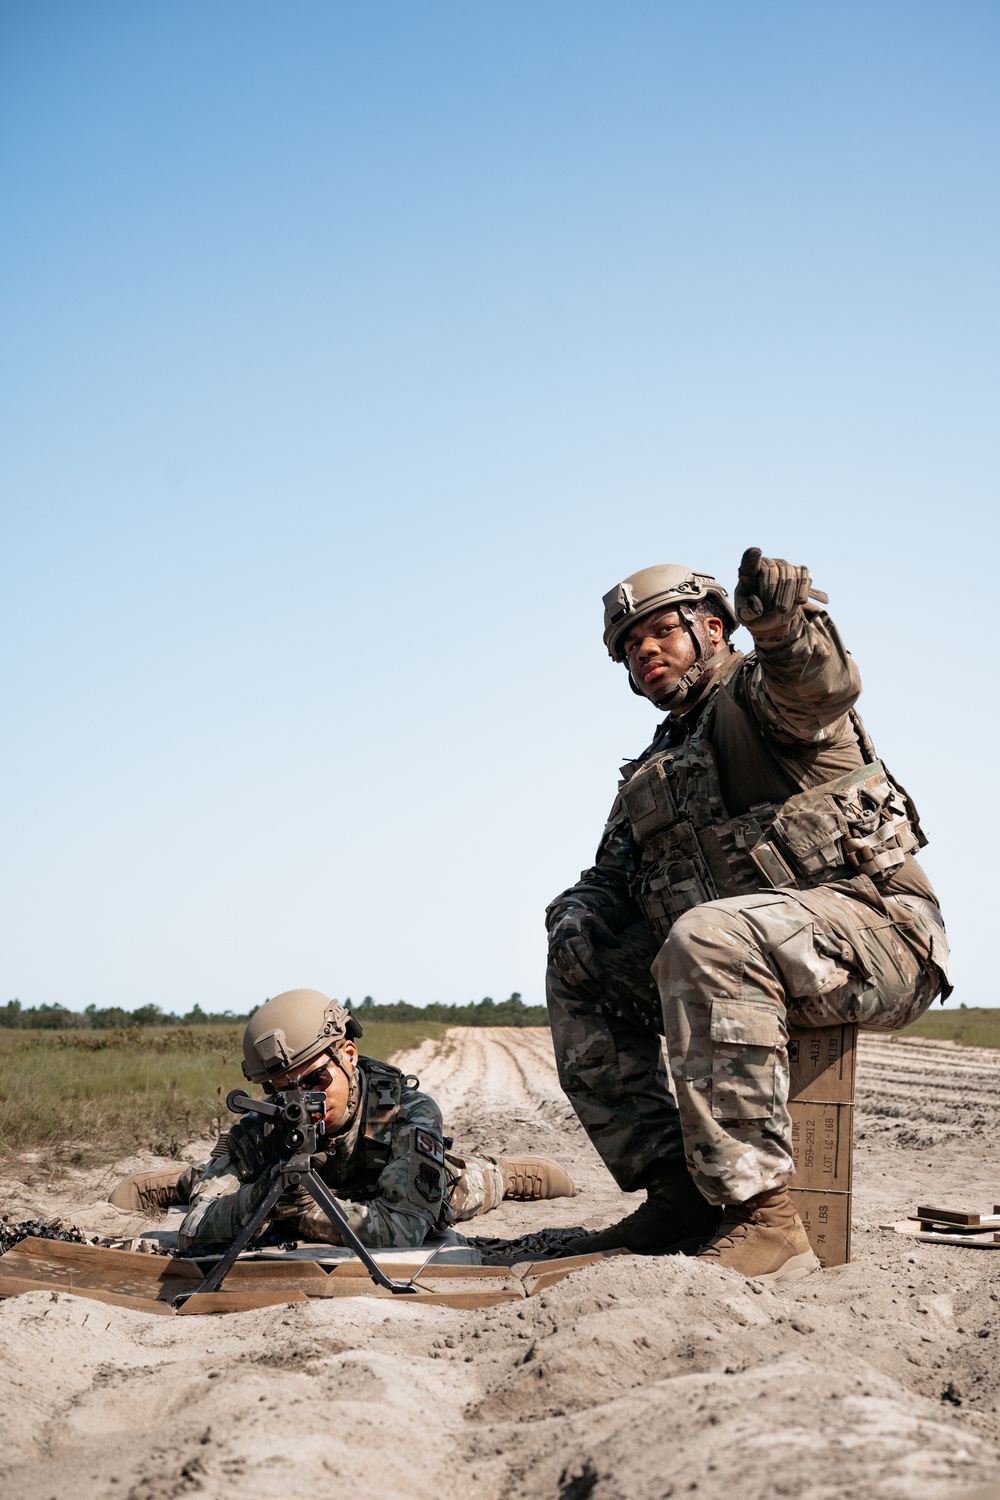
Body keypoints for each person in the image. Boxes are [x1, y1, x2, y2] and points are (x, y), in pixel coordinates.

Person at [546, 550, 950, 1284]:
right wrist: (578, 916)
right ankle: (679, 1197)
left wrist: (786, 629)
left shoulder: (757, 697)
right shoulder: (653, 768)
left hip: (878, 933)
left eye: (660, 632)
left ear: (712, 628)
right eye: (630, 649)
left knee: (706, 935)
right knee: (583, 962)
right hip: (754, 953)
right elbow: (609, 878)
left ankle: (765, 1219)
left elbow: (816, 688)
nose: (645, 652)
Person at [110, 988, 574, 1250]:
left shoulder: (401, 1112)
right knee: (210, 1187)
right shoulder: (261, 1128)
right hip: (311, 1199)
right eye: (282, 1090)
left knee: (465, 1186)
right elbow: (193, 1228)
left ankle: (507, 1174)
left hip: (385, 1187)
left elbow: (405, 1227)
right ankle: (186, 1179)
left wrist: (299, 1213)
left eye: (314, 1079)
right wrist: (262, 1201)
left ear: (348, 1055)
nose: (301, 1098)